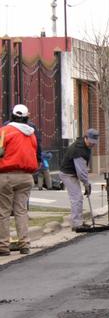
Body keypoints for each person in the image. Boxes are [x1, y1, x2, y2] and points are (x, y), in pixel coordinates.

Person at [0, 104, 39, 256]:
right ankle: (24, 244)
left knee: (3, 211)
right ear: (26, 117)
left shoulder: (5, 131)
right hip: (26, 176)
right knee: (21, 211)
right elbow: (35, 152)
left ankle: (3, 246)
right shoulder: (31, 134)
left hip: (6, 175)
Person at [59, 128, 98, 231]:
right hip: (68, 174)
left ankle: (78, 221)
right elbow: (81, 171)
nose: (92, 144)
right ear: (86, 137)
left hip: (73, 173)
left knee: (78, 197)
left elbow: (83, 168)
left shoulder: (86, 146)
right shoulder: (79, 149)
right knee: (76, 197)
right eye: (91, 142)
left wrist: (86, 183)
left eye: (94, 142)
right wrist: (86, 183)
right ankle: (77, 224)